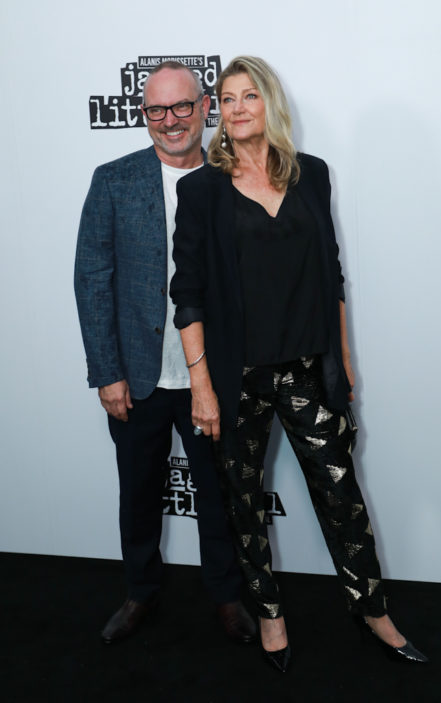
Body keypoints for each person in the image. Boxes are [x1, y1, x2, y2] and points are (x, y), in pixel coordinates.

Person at [170, 56, 428, 672]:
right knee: (244, 504)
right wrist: (201, 385)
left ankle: (373, 611)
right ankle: (270, 614)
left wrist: (343, 359)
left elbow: (331, 274)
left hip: (308, 369)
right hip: (237, 377)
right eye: (227, 99)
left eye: (249, 96)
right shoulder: (201, 190)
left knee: (342, 498)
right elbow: (189, 295)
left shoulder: (311, 174)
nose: (237, 108)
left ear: (270, 103)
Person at [74, 61, 255, 645]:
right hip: (137, 377)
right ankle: (140, 592)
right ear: (144, 114)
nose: (170, 120)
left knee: (220, 497)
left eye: (182, 107)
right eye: (157, 109)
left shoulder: (234, 177)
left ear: (204, 108)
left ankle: (228, 597)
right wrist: (107, 372)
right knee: (138, 495)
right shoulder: (114, 180)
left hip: (213, 380)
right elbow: (92, 280)